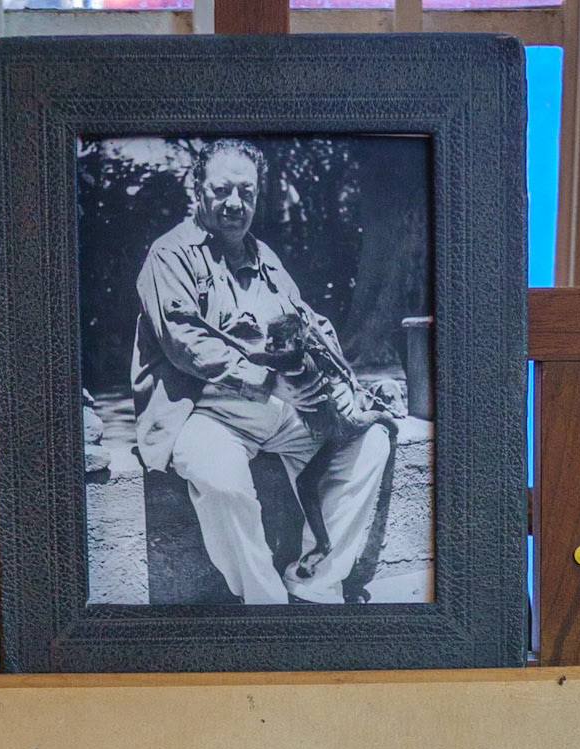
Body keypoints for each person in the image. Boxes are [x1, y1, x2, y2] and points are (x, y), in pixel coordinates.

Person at [132, 140, 394, 606]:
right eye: (223, 190)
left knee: (368, 441)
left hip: (276, 409)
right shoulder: (169, 255)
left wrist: (348, 386)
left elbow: (308, 323)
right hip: (201, 410)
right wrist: (272, 382)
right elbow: (185, 343)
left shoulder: (265, 257)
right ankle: (266, 607)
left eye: (246, 192)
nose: (236, 203)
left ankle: (315, 585)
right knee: (223, 482)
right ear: (198, 190)